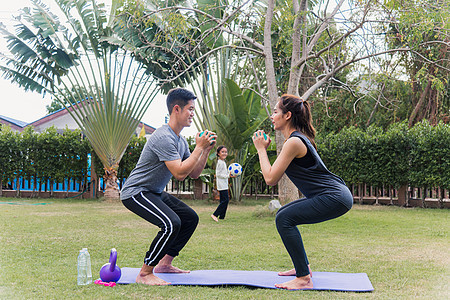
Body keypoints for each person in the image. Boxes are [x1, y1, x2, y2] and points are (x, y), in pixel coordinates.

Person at [252, 94, 353, 290]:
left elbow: (270, 179)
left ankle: (304, 278)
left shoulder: (294, 142)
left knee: (284, 219)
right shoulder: (296, 140)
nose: (272, 116)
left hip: (334, 197)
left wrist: (261, 150)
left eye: (275, 112)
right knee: (283, 215)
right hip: (333, 196)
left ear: (287, 115)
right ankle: (302, 267)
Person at [120, 88, 217, 286]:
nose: (192, 114)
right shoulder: (163, 137)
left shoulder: (180, 140)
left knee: (190, 218)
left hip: (153, 192)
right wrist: (198, 147)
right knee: (171, 223)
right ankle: (145, 273)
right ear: (176, 109)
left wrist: (205, 150)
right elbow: (179, 173)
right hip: (136, 192)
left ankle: (165, 264)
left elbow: (194, 173)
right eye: (190, 109)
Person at [211, 145, 231, 222]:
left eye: (226, 152)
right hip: (222, 184)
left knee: (224, 200)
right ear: (218, 153)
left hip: (224, 184)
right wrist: (227, 176)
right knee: (225, 200)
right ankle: (215, 214)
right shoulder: (220, 163)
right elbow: (218, 174)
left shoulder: (223, 162)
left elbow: (223, 173)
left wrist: (229, 174)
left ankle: (222, 216)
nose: (224, 153)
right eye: (222, 152)